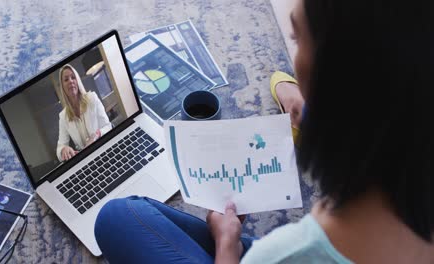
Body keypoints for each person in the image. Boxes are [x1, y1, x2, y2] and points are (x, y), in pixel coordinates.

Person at [94, 0, 434, 263]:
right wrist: (302, 101)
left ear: (334, 75)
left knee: (116, 217)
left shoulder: (285, 253)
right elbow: (281, 80)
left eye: (296, 39)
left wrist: (227, 246)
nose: (294, 54)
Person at [56, 64, 112, 161]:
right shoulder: (63, 116)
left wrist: (96, 135)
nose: (70, 81)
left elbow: (108, 126)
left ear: (77, 80)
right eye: (66, 79)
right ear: (63, 87)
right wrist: (63, 149)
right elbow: (60, 148)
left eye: (73, 77)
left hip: (103, 149)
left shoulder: (92, 98)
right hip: (86, 160)